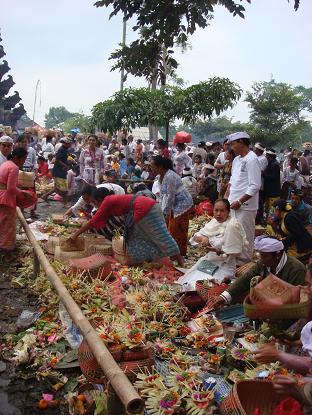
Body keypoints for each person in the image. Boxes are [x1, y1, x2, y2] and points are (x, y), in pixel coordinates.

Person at [68, 189, 183, 265]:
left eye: (94, 202)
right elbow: (99, 222)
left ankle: (180, 262)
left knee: (160, 236)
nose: (94, 205)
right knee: (137, 237)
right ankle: (146, 260)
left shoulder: (107, 201)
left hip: (145, 209)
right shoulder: (110, 201)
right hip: (144, 208)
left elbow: (93, 221)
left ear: (100, 199)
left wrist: (75, 235)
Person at [213, 235, 306, 308]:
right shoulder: (263, 263)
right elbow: (246, 278)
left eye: (265, 256)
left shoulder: (296, 269)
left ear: (278, 255)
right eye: (261, 255)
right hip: (268, 306)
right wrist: (224, 297)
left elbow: (294, 301)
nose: (261, 259)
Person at [178, 199, 247, 287]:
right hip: (210, 261)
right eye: (216, 210)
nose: (218, 214)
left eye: (222, 211)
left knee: (208, 284)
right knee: (190, 282)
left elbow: (236, 252)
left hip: (224, 265)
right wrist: (204, 238)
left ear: (228, 212)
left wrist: (219, 251)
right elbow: (195, 237)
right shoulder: (213, 223)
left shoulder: (233, 225)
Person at [225, 132, 261, 262]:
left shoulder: (252, 159)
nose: (232, 147)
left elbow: (255, 185)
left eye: (233, 144)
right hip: (232, 203)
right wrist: (226, 197)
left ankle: (244, 262)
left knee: (245, 234)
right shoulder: (236, 159)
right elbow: (232, 181)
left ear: (241, 142)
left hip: (245, 206)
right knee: (232, 233)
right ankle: (233, 259)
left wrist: (240, 201)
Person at [151, 156, 193, 257]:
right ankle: (172, 252)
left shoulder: (170, 176)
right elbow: (163, 196)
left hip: (182, 204)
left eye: (152, 166)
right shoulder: (159, 177)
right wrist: (161, 210)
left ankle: (178, 254)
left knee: (177, 229)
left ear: (160, 167)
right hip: (173, 204)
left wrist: (165, 213)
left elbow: (170, 197)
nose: (151, 169)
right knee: (171, 227)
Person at [0, 148, 36, 253]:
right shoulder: (14, 167)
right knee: (7, 225)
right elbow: (10, 188)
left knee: (2, 223)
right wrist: (23, 194)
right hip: (6, 198)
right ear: (17, 158)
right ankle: (6, 248)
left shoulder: (6, 164)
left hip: (2, 195)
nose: (24, 161)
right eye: (24, 159)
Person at [42, 137, 72, 207]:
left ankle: (45, 196)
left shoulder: (65, 150)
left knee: (57, 188)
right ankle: (65, 203)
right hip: (59, 172)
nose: (69, 145)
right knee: (65, 189)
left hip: (60, 171)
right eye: (68, 143)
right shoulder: (62, 150)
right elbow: (57, 160)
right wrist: (65, 165)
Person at [263, 148, 281, 215]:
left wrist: (264, 174)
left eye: (267, 156)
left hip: (273, 192)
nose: (266, 157)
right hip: (269, 191)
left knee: (272, 209)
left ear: (270, 156)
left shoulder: (275, 165)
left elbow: (274, 177)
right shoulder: (271, 163)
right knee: (267, 208)